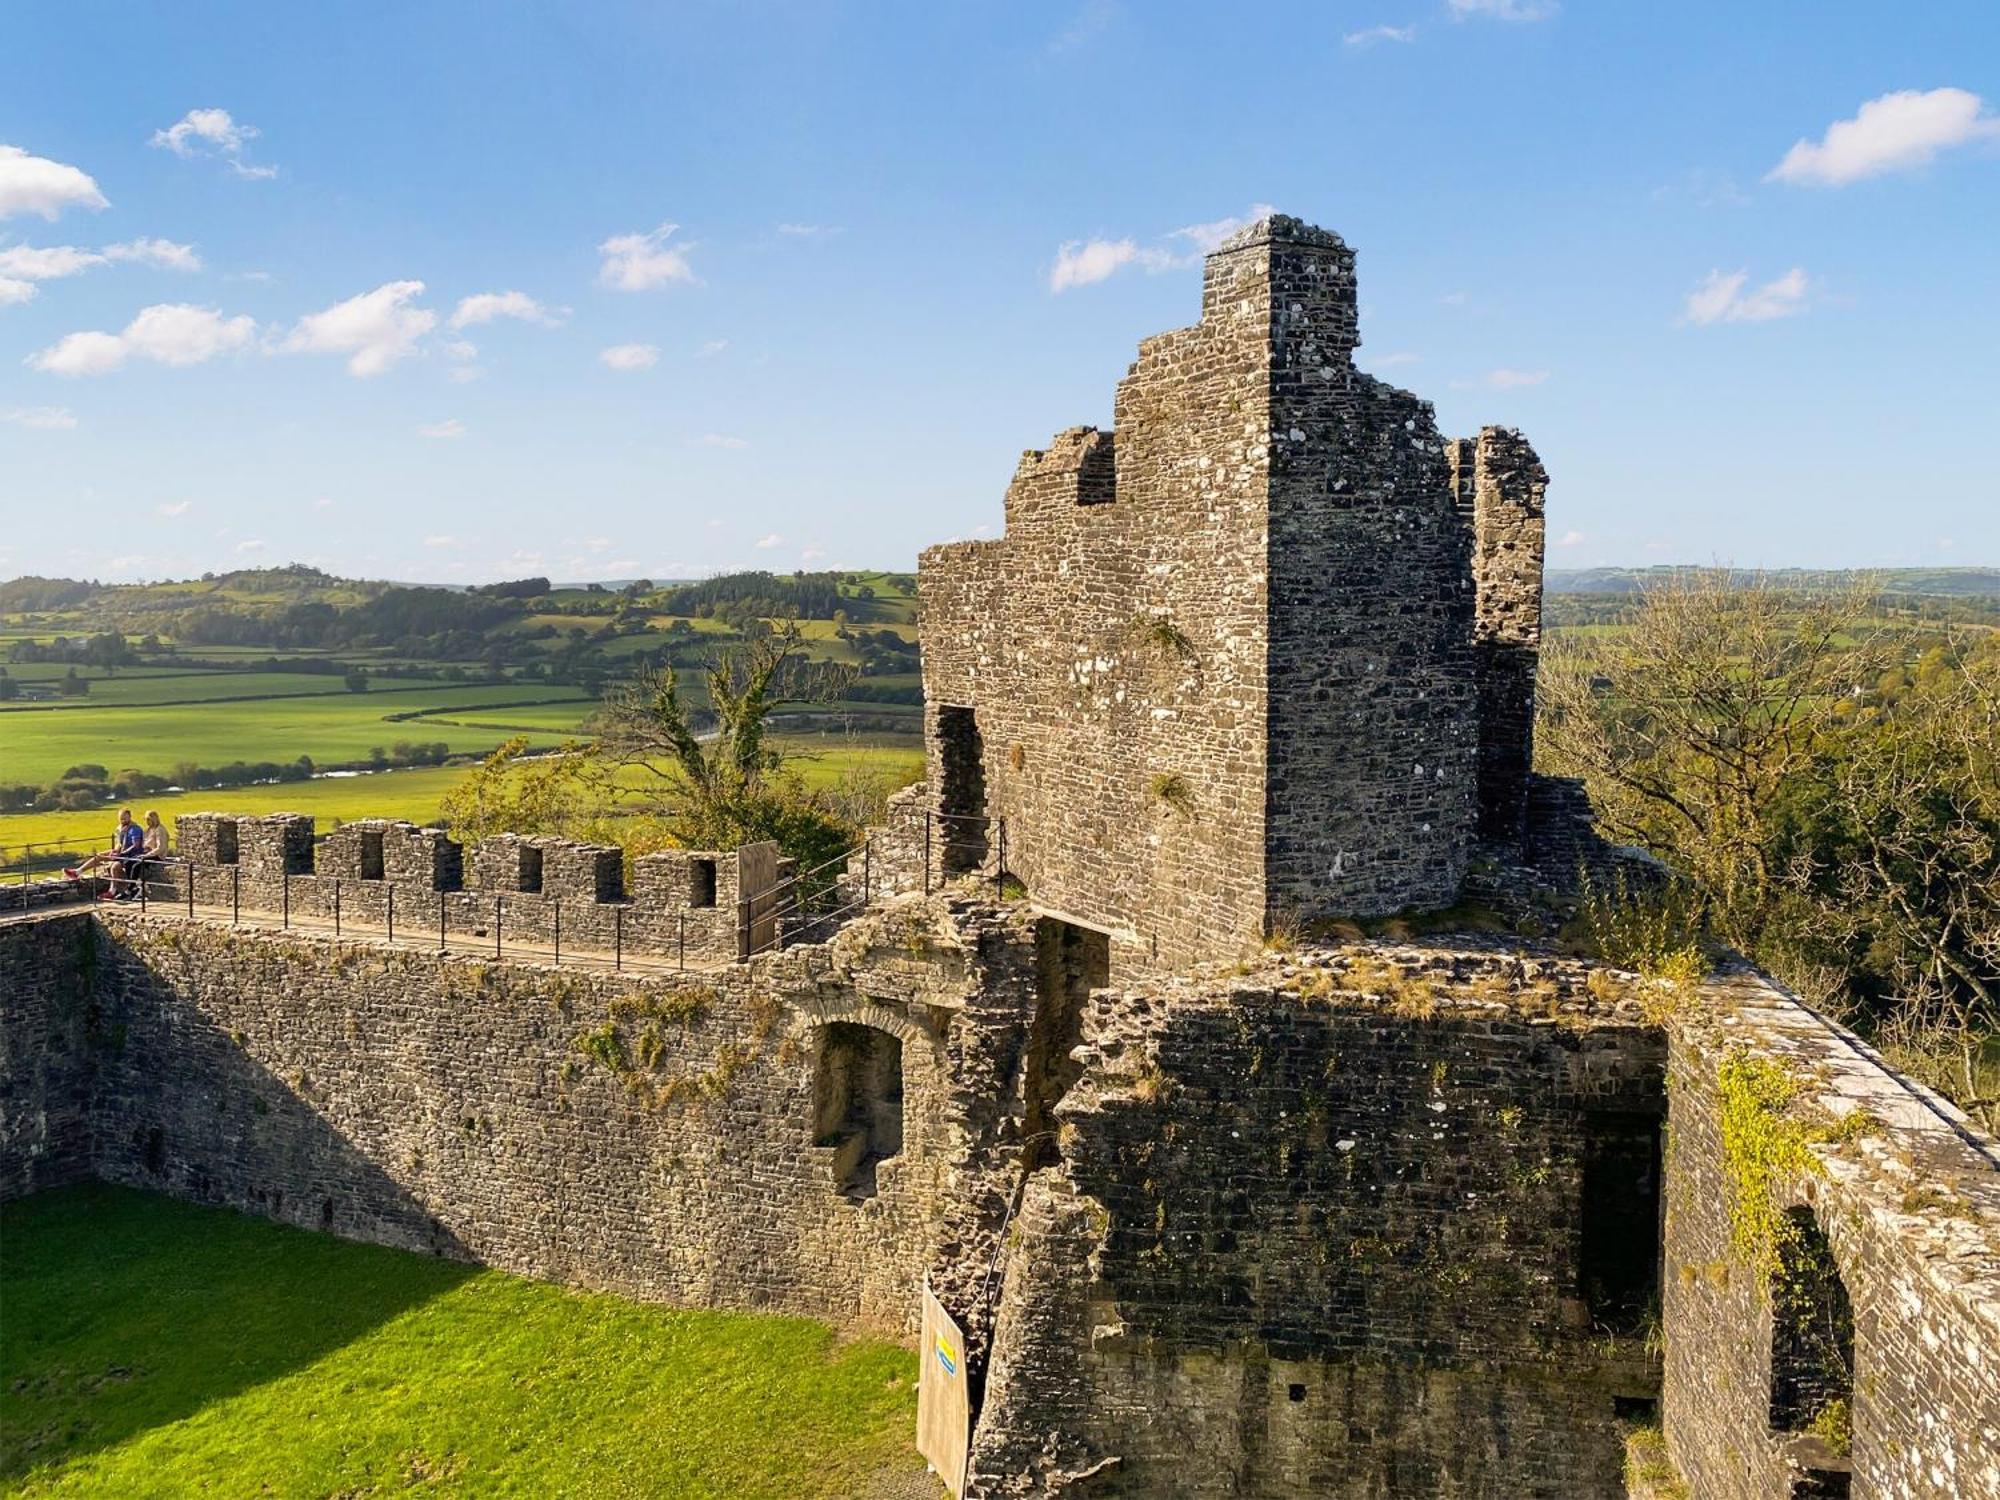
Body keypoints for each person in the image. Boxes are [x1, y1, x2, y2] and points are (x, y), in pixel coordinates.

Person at [68, 809, 144, 899]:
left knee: (114, 867)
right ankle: (77, 872)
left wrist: (122, 854)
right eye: (121, 819)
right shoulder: (120, 828)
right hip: (120, 852)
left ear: (130, 817)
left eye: (125, 819)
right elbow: (119, 843)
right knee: (99, 856)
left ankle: (112, 891)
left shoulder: (135, 829)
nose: (123, 821)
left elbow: (136, 845)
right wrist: (115, 851)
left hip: (130, 856)